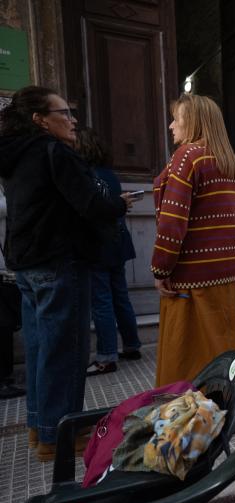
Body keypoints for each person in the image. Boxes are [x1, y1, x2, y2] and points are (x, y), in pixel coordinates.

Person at [0, 86, 131, 461]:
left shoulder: (17, 154)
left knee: (42, 347)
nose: (73, 120)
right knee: (66, 350)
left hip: (27, 262)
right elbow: (90, 204)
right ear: (41, 119)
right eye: (65, 113)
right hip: (59, 260)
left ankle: (40, 427)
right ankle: (61, 434)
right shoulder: (54, 151)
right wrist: (117, 204)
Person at [151, 93, 235, 386]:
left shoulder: (187, 157)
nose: (170, 125)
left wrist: (161, 268)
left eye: (176, 119)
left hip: (191, 273)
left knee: (183, 351)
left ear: (192, 122)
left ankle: (185, 410)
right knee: (221, 342)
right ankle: (223, 405)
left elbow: (172, 222)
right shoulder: (231, 164)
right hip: (225, 271)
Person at [74, 127, 142, 376]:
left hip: (99, 245)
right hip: (117, 243)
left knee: (102, 301)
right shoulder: (109, 175)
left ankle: (106, 357)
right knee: (120, 295)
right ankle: (132, 345)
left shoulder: (86, 177)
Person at [0, 184, 24, 399]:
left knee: (6, 324)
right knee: (3, 324)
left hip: (7, 267)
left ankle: (5, 376)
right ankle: (3, 379)